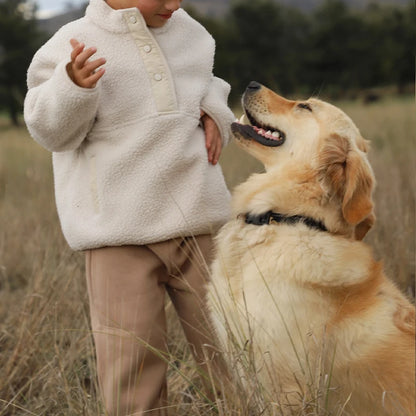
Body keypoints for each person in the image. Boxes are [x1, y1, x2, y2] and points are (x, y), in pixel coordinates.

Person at [24, 0, 234, 414]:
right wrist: (72, 86)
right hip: (119, 235)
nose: (175, 4)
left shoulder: (189, 32)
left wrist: (215, 112)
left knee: (234, 347)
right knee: (131, 363)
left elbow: (205, 81)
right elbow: (49, 130)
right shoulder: (70, 45)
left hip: (200, 222)